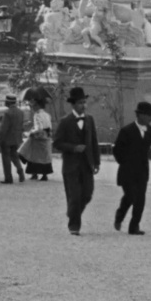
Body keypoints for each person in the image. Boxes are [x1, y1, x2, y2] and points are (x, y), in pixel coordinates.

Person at [53, 87, 100, 236]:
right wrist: (73, 148)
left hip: (87, 164)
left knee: (87, 194)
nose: (83, 105)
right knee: (74, 196)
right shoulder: (65, 122)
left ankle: (73, 212)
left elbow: (94, 141)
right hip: (71, 166)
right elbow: (57, 143)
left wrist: (97, 162)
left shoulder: (90, 120)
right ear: (73, 104)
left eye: (84, 102)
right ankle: (74, 225)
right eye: (80, 103)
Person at [113, 101, 151, 235]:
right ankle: (120, 215)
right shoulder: (126, 131)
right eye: (148, 115)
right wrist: (125, 162)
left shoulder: (150, 131)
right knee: (130, 196)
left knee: (140, 199)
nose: (150, 118)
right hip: (127, 171)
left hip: (142, 171)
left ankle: (134, 226)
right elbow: (117, 150)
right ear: (140, 115)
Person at [20, 96, 53, 181]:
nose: (32, 107)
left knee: (33, 156)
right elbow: (49, 127)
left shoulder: (37, 115)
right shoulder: (47, 115)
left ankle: (34, 173)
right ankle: (44, 174)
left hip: (38, 138)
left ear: (37, 105)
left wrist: (30, 132)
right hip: (47, 136)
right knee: (45, 157)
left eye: (33, 105)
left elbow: (39, 128)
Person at [0, 95, 25, 185]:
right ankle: (20, 170)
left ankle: (8, 177)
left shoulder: (8, 113)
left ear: (8, 102)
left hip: (7, 139)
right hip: (17, 138)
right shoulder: (20, 112)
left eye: (5, 101)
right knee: (14, 156)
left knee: (6, 158)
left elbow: (3, 128)